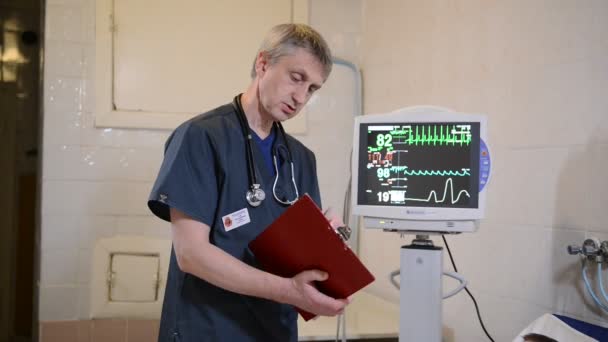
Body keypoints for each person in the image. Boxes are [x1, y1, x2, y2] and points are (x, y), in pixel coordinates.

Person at [147, 23, 349, 341]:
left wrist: (328, 247)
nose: (300, 97)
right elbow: (191, 254)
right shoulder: (201, 137)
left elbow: (298, 257)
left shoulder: (301, 159)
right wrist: (288, 290)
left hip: (274, 330)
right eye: (296, 78)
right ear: (263, 63)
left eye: (312, 88)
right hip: (208, 329)